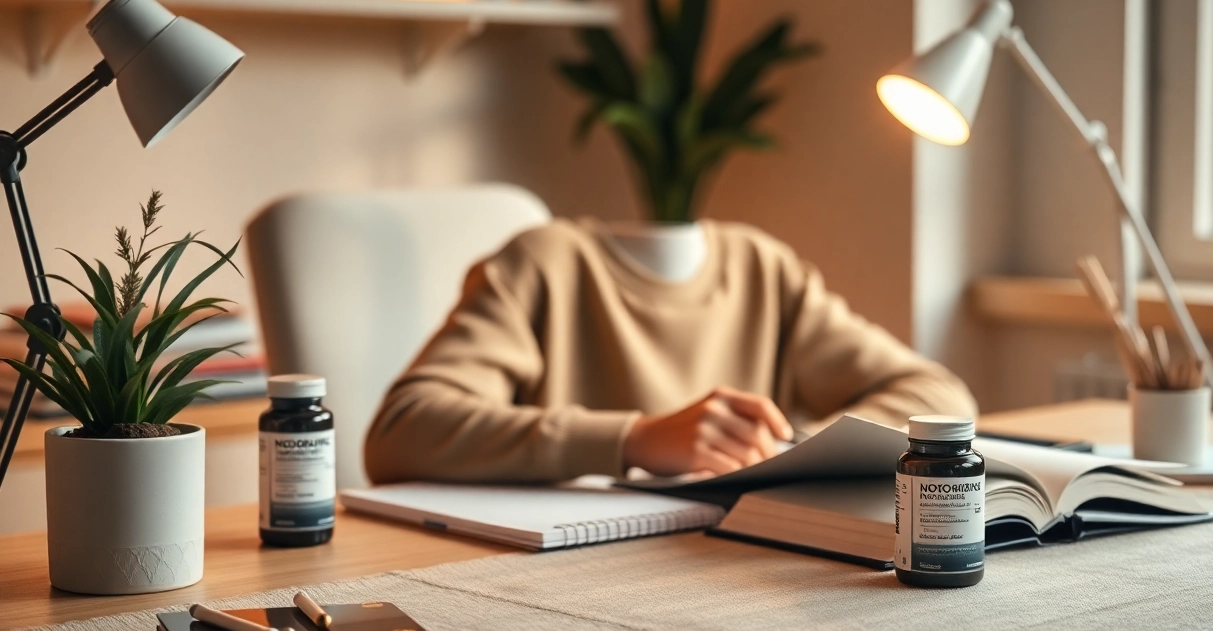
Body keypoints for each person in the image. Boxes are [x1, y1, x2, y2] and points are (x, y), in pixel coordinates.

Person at [364, 218, 976, 484]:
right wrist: (634, 437)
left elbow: (940, 393)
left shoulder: (761, 267)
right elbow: (400, 431)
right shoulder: (542, 262)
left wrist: (794, 450)